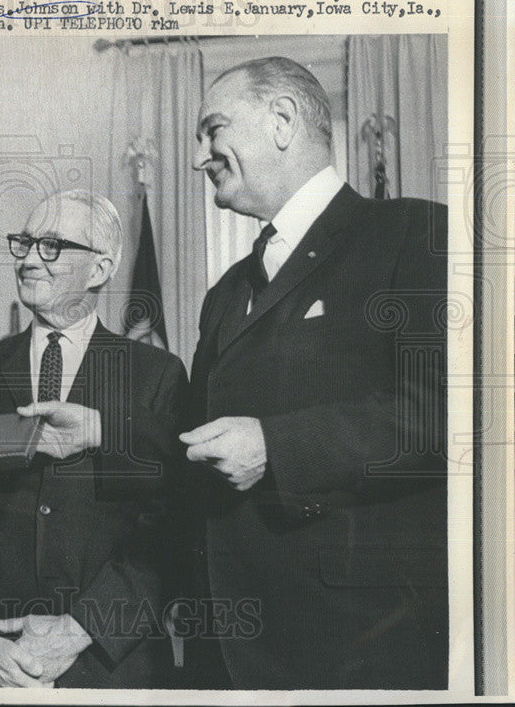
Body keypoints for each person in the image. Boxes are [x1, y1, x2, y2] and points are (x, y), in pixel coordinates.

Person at [183, 56, 448, 689]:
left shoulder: (412, 234)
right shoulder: (224, 293)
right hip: (225, 647)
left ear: (282, 120)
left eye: (212, 130)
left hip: (360, 646)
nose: (200, 157)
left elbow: (442, 414)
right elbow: (195, 448)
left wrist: (275, 445)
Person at [0, 190, 190, 688]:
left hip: (111, 667)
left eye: (52, 246)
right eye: (25, 243)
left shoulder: (157, 375)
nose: (29, 259)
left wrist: (79, 630)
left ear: (100, 268)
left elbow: (169, 529)